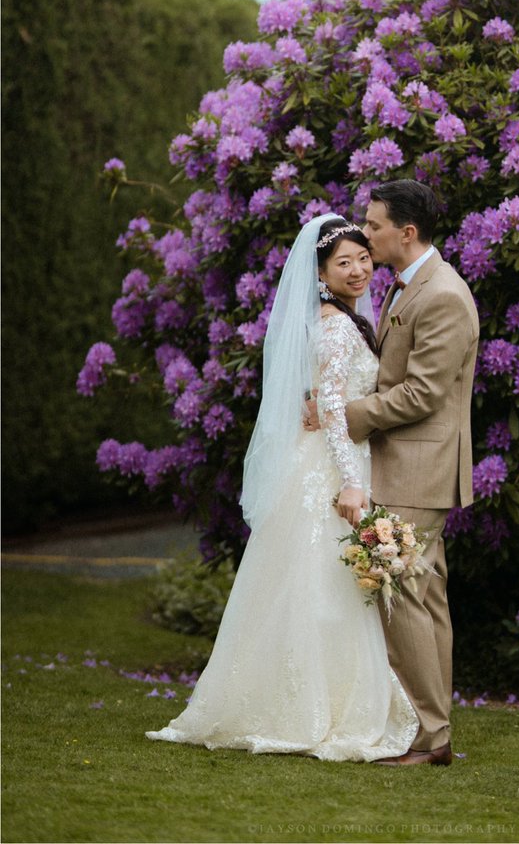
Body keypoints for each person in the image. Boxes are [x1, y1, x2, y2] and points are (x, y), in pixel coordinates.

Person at [146, 214, 417, 761]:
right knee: (325, 589)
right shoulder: (338, 326)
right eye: (344, 262)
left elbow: (322, 398)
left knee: (310, 586)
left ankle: (294, 699)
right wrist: (350, 483)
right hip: (334, 467)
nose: (360, 269)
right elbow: (335, 407)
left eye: (364, 257)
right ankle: (318, 709)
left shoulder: (337, 320)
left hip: (326, 458)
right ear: (320, 274)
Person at [307, 179, 480, 767]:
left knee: (404, 595)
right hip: (407, 464)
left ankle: (429, 736)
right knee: (423, 597)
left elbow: (422, 393)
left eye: (374, 225)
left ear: (406, 232)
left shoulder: (444, 295)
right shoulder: (408, 286)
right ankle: (432, 732)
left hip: (420, 468)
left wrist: (343, 415)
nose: (367, 233)